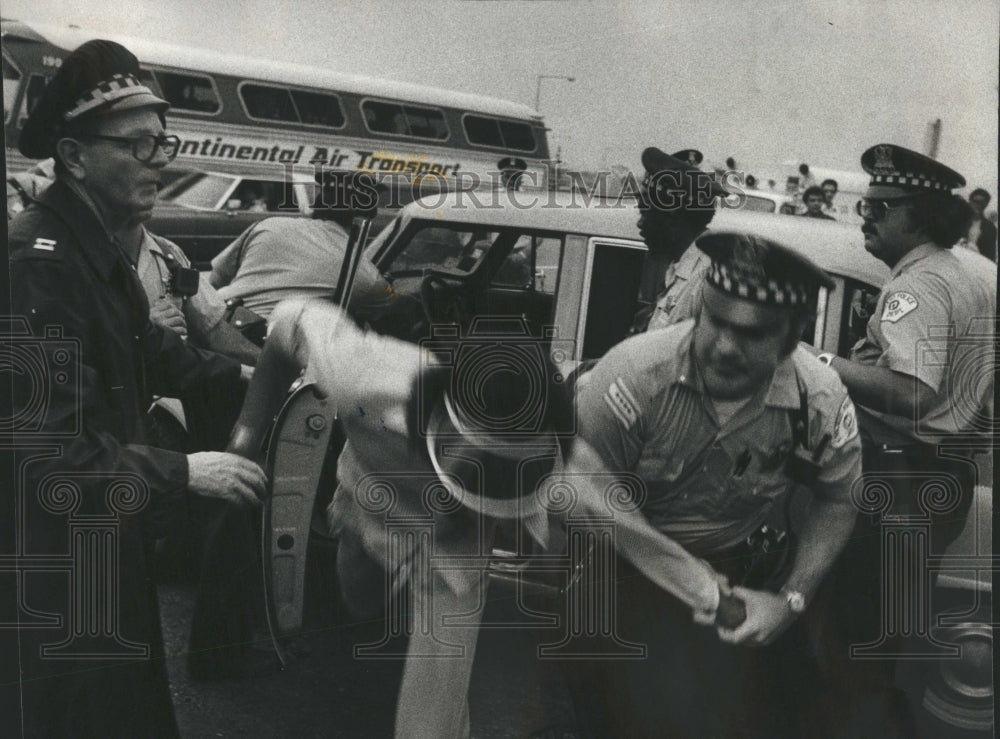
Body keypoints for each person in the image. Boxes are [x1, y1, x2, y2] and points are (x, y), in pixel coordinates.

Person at [6, 39, 266, 737]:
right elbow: (49, 454)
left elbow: (159, 355)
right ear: (73, 155)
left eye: (163, 142)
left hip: (100, 549)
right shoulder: (40, 267)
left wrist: (271, 378)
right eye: (139, 146)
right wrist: (185, 470)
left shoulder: (100, 250)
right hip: (54, 575)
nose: (161, 161)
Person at [562, 231, 862, 738]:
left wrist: (790, 600)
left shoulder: (820, 400)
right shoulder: (632, 376)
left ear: (792, 338)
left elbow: (840, 498)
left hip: (735, 581)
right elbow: (583, 499)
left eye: (752, 334)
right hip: (619, 571)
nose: (724, 347)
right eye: (715, 321)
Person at [806, 144, 995, 733]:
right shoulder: (977, 271)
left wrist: (821, 359)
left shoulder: (913, 289)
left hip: (896, 479)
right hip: (945, 475)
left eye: (882, 207)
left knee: (854, 637)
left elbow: (914, 393)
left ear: (918, 215)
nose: (866, 215)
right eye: (868, 203)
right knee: (896, 641)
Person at [209, 169, 396, 323]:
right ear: (368, 217)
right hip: (262, 346)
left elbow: (216, 278)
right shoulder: (364, 274)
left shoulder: (269, 225)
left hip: (214, 319)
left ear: (319, 204)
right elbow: (392, 313)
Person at [632, 147, 724, 333]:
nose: (640, 224)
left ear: (671, 216)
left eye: (645, 213)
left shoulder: (706, 281)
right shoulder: (683, 270)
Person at [964, 187, 997, 261]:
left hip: (977, 262)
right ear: (969, 201)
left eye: (982, 204)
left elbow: (990, 255)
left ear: (985, 205)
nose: (978, 206)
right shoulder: (958, 219)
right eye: (975, 201)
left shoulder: (990, 228)